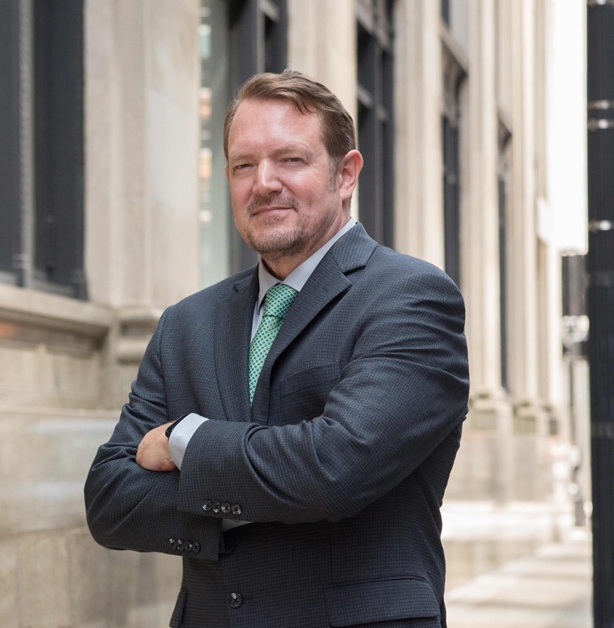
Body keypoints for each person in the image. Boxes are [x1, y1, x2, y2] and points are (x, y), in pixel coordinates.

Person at [84, 70, 470, 627]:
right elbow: (110, 500)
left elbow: (334, 467)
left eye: (290, 159)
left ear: (346, 174)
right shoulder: (187, 324)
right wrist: (271, 489)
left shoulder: (409, 297)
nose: (263, 183)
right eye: (244, 165)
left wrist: (183, 440)